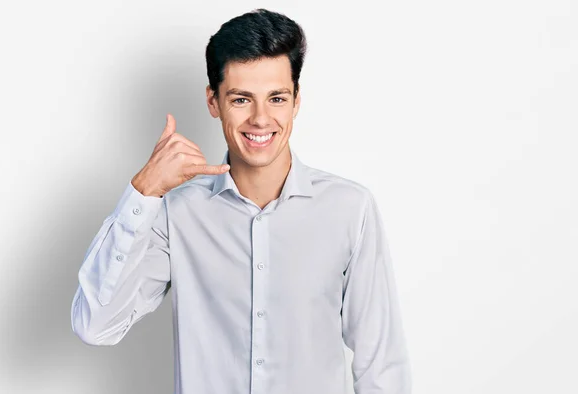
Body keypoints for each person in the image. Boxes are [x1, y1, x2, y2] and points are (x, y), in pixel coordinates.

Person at [70, 8, 412, 394]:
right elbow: (95, 326)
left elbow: (381, 366)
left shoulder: (350, 209)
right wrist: (144, 190)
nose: (261, 119)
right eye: (241, 99)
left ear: (296, 101)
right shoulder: (176, 214)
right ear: (213, 102)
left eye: (277, 98)